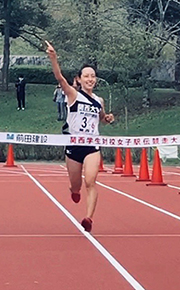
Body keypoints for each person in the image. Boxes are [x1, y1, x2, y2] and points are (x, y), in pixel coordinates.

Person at [46, 41, 114, 232]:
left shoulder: (99, 100)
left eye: (93, 76)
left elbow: (102, 119)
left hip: (92, 146)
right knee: (76, 185)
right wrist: (53, 58)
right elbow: (60, 78)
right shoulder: (73, 95)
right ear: (80, 79)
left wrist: (108, 118)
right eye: (86, 76)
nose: (90, 79)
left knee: (90, 182)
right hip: (73, 146)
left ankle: (88, 218)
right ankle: (73, 191)